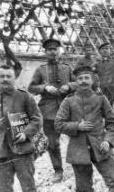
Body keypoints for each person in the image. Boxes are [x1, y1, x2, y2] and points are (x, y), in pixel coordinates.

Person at [28, 38, 77, 183]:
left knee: (77, 137)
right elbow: (31, 87)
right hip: (48, 111)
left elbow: (78, 82)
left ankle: (80, 165)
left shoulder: (67, 68)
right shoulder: (40, 69)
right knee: (53, 143)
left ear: (59, 51)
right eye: (50, 49)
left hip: (67, 109)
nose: (53, 52)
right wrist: (44, 88)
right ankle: (58, 170)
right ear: (45, 52)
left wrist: (69, 86)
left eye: (55, 49)